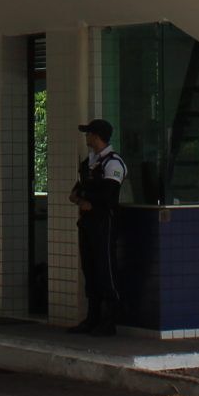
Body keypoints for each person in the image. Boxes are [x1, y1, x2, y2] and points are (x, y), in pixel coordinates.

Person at [69, 119, 126, 335]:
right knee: (90, 269)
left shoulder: (113, 163)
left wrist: (87, 198)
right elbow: (75, 193)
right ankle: (92, 317)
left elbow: (108, 196)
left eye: (89, 133)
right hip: (87, 223)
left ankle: (110, 319)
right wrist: (84, 199)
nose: (86, 137)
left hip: (104, 223)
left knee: (106, 269)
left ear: (97, 136)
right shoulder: (88, 164)